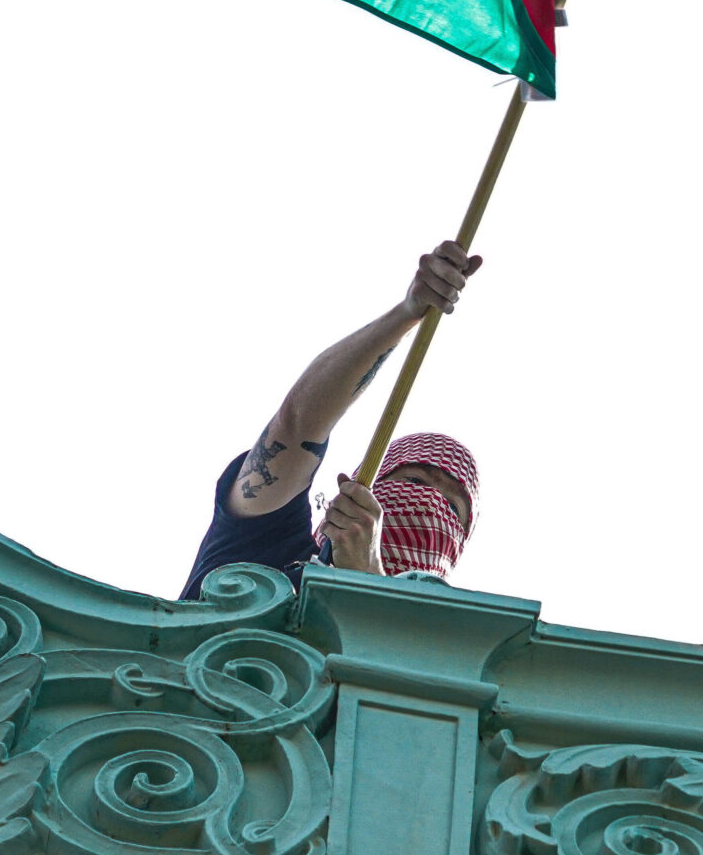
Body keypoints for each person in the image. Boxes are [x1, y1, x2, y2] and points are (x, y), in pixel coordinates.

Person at [177, 242, 483, 601]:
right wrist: (409, 312)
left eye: (451, 508)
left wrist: (369, 578)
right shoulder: (267, 545)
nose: (430, 504)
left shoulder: (440, 649)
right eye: (414, 480)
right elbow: (297, 424)